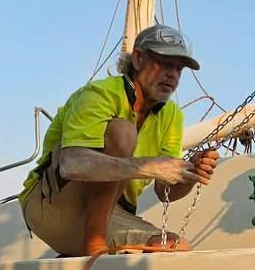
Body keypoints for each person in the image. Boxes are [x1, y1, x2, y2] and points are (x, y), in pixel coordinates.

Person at [20, 24, 218, 256]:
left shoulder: (172, 115)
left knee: (177, 248)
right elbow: (71, 164)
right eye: (163, 63)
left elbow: (165, 191)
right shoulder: (100, 94)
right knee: (123, 132)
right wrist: (151, 167)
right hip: (50, 204)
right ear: (138, 59)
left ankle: (81, 260)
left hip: (113, 212)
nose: (172, 74)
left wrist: (190, 174)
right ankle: (94, 245)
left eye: (178, 68)